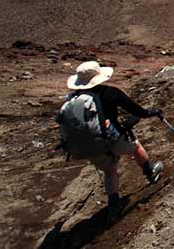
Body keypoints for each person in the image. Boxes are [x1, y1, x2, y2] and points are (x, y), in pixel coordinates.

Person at [58, 61, 164, 221]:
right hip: (114, 138)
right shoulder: (111, 93)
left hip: (93, 145)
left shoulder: (73, 99)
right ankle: (151, 174)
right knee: (135, 147)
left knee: (110, 171)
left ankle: (114, 206)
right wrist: (153, 112)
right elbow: (138, 111)